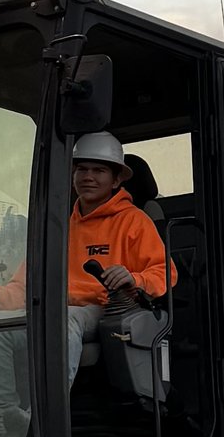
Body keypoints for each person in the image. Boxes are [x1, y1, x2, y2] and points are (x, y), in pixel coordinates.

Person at [66, 129, 168, 389]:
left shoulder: (134, 221)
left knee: (62, 322)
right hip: (55, 308)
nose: (88, 177)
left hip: (103, 309)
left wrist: (134, 278)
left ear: (115, 181)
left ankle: (48, 416)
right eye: (82, 169)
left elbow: (163, 272)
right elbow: (24, 281)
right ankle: (5, 418)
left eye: (98, 171)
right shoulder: (60, 228)